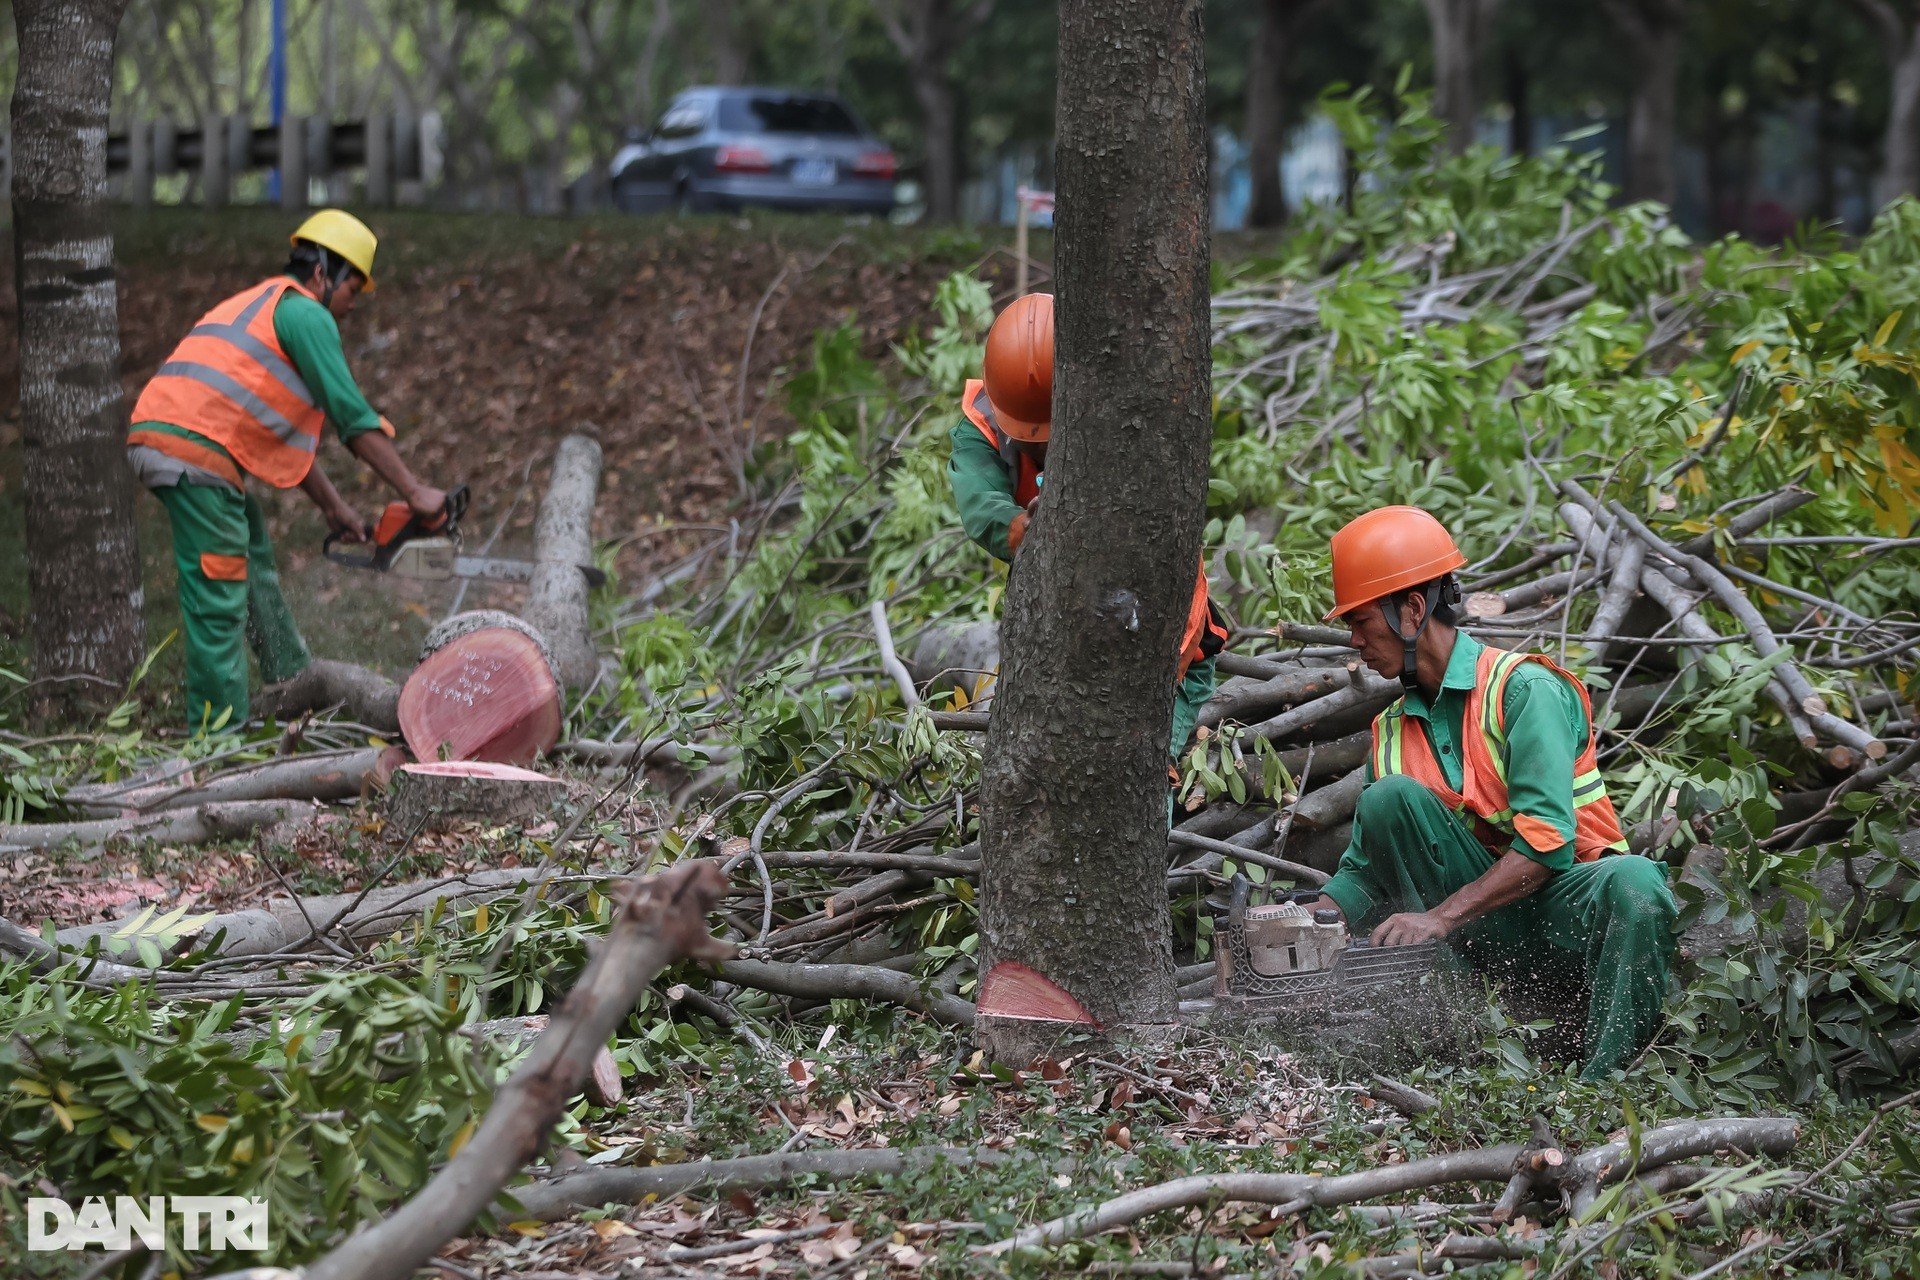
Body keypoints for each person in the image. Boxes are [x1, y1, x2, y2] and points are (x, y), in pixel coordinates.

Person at [1304, 505, 1677, 1079]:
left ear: (1410, 609)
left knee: (1637, 882)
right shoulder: (1390, 730)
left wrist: (1440, 919)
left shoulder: (1524, 689)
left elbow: (1548, 842)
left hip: (1559, 915)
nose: (1353, 640)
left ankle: (1608, 1084)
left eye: (1359, 621)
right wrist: (1304, 925)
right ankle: (1463, 1038)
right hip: (1480, 937)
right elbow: (1365, 872)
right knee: (1387, 800)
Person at [126, 209, 446, 731]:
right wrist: (415, 491)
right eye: (351, 291)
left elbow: (280, 438)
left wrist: (335, 509)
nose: (350, 307)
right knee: (218, 595)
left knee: (247, 541)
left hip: (182, 441)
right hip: (194, 447)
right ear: (323, 271)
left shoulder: (263, 304)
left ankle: (290, 679)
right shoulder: (306, 315)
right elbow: (355, 420)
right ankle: (217, 741)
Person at [946, 292, 1228, 772]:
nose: (1044, 451)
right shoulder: (983, 424)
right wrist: (1023, 528)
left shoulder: (1130, 421)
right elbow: (979, 502)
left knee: (1138, 778)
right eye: (1033, 441)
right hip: (1072, 630)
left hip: (1167, 645)